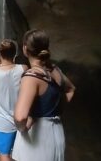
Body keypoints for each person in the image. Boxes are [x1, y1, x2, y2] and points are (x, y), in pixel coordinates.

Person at [12, 29, 76, 161]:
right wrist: (55, 110)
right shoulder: (55, 70)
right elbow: (71, 89)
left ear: (25, 49)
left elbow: (20, 117)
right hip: (57, 133)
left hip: (37, 137)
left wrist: (22, 129)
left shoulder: (31, 77)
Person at [0, 39, 28, 161]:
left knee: (4, 155)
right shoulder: (24, 68)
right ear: (15, 53)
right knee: (20, 154)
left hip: (3, 123)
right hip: (22, 119)